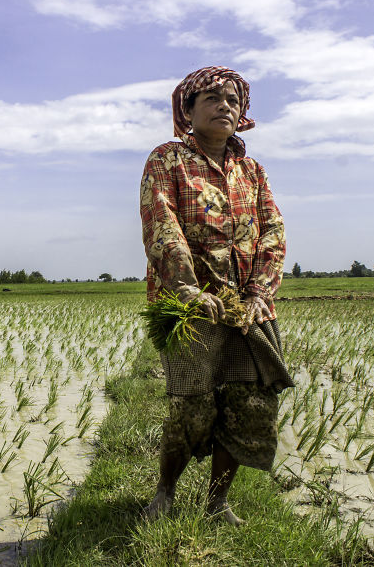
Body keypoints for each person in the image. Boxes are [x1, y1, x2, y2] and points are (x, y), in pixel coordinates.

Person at [140, 66, 294, 524]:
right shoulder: (168, 161)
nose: (224, 106)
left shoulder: (252, 171)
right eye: (212, 98)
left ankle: (217, 503)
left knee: (250, 403)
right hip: (190, 308)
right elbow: (161, 224)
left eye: (232, 100)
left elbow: (273, 233)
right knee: (192, 405)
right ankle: (164, 493)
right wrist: (186, 288)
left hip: (248, 310)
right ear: (188, 110)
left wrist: (257, 295)